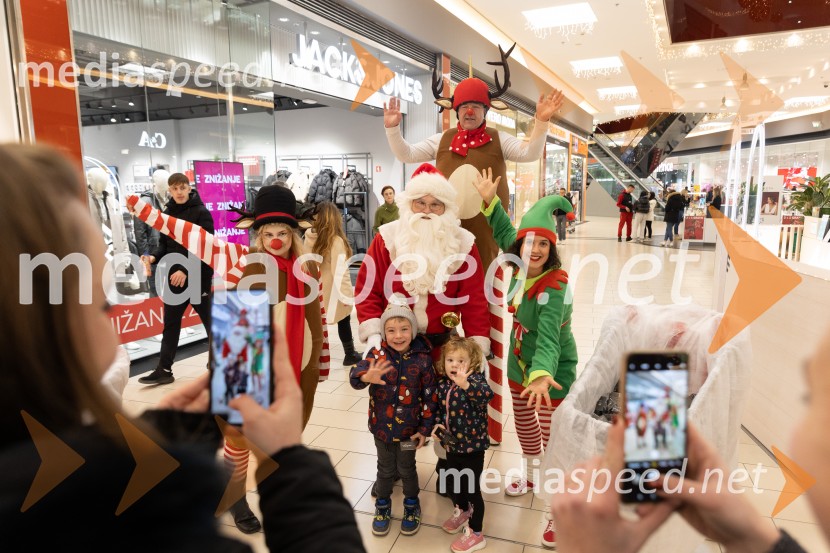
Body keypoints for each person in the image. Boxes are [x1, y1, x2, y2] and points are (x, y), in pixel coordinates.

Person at [0, 143, 365, 552]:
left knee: (281, 435)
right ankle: (235, 497)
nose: (277, 239)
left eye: (283, 232)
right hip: (246, 361)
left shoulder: (306, 267)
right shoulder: (236, 257)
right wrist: (149, 213)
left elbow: (317, 317)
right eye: (102, 302)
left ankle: (264, 479)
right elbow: (190, 234)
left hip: (298, 366)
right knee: (238, 440)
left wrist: (322, 364)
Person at [383, 53, 563, 272]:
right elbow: (407, 154)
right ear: (456, 109)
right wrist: (392, 129)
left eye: (476, 106)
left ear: (486, 110)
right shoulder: (442, 139)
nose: (470, 112)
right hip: (445, 229)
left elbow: (530, 154)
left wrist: (541, 123)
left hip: (487, 230)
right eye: (465, 106)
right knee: (445, 279)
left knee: (483, 281)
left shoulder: (499, 139)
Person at [473, 168, 577, 548]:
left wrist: (540, 374)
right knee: (526, 428)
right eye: (528, 243)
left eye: (543, 245)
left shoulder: (556, 285)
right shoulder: (518, 267)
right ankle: (532, 476)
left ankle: (557, 509)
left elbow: (549, 337)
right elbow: (505, 234)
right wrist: (491, 202)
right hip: (519, 367)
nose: (533, 250)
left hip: (551, 375)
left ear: (553, 250)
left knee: (553, 439)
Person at [355, 163, 491, 357]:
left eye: (435, 204)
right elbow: (368, 289)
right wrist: (373, 334)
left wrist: (477, 350)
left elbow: (474, 302)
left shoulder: (464, 243)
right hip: (395, 348)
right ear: (409, 204)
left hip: (444, 351)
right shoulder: (387, 238)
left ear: (446, 209)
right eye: (420, 203)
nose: (427, 210)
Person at [349, 304, 438, 538]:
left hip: (410, 432)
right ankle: (382, 506)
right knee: (385, 469)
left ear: (414, 330)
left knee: (407, 469)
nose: (398, 336)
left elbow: (430, 398)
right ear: (383, 332)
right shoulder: (377, 354)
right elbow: (355, 377)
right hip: (381, 430)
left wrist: (424, 430)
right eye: (391, 330)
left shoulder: (423, 360)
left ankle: (411, 505)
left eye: (404, 329)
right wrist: (365, 377)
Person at [139, 172, 214, 385]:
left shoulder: (201, 212)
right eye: (175, 188)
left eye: (183, 187)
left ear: (189, 188)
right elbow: (165, 245)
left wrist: (186, 269)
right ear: (169, 191)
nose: (179, 192)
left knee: (211, 324)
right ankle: (164, 369)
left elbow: (205, 246)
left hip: (198, 277)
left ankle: (220, 363)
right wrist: (152, 257)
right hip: (175, 278)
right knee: (171, 324)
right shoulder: (167, 213)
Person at [432, 337, 494, 553]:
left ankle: (476, 533)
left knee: (472, 488)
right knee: (455, 482)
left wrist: (465, 385)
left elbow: (486, 396)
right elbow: (441, 409)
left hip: (472, 448)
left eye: (461, 360)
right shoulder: (443, 384)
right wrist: (437, 425)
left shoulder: (476, 381)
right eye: (450, 360)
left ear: (473, 363)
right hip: (451, 447)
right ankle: (462, 510)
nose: (455, 365)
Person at [304, 201, 362, 366]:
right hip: (333, 290)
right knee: (343, 320)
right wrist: (346, 295)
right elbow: (341, 271)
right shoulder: (335, 241)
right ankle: (349, 353)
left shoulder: (308, 236)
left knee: (316, 323)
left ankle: (313, 356)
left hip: (314, 289)